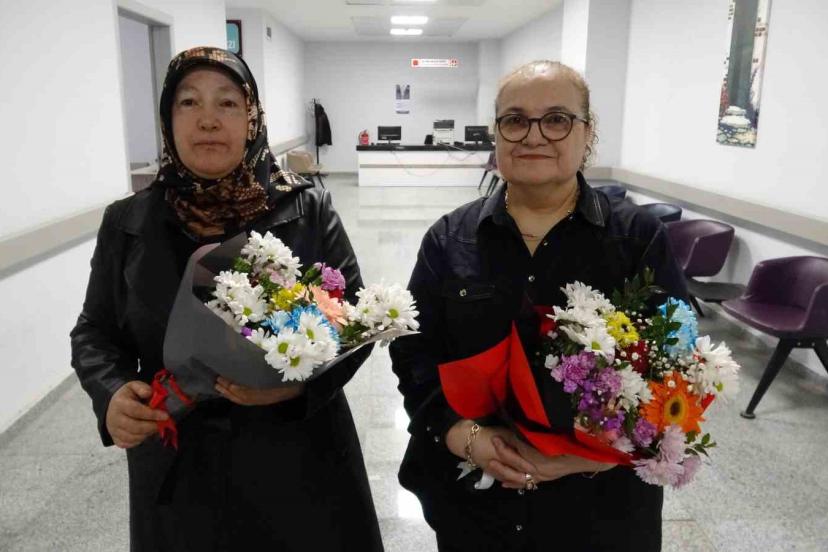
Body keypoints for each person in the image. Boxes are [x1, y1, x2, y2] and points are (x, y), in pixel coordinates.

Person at [70, 47, 383, 552]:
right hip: (178, 460)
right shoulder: (128, 223)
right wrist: (111, 393)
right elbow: (94, 330)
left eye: (228, 103)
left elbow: (352, 321)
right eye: (189, 102)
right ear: (168, 119)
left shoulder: (305, 208)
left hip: (297, 456)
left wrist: (295, 390)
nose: (208, 120)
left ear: (252, 117)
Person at [389, 60, 689, 552]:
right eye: (514, 120)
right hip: (476, 505)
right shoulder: (449, 239)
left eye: (556, 119)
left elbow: (678, 365)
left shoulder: (637, 239)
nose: (533, 136)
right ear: (496, 133)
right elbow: (413, 352)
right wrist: (461, 434)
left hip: (601, 509)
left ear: (587, 133)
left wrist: (594, 454)